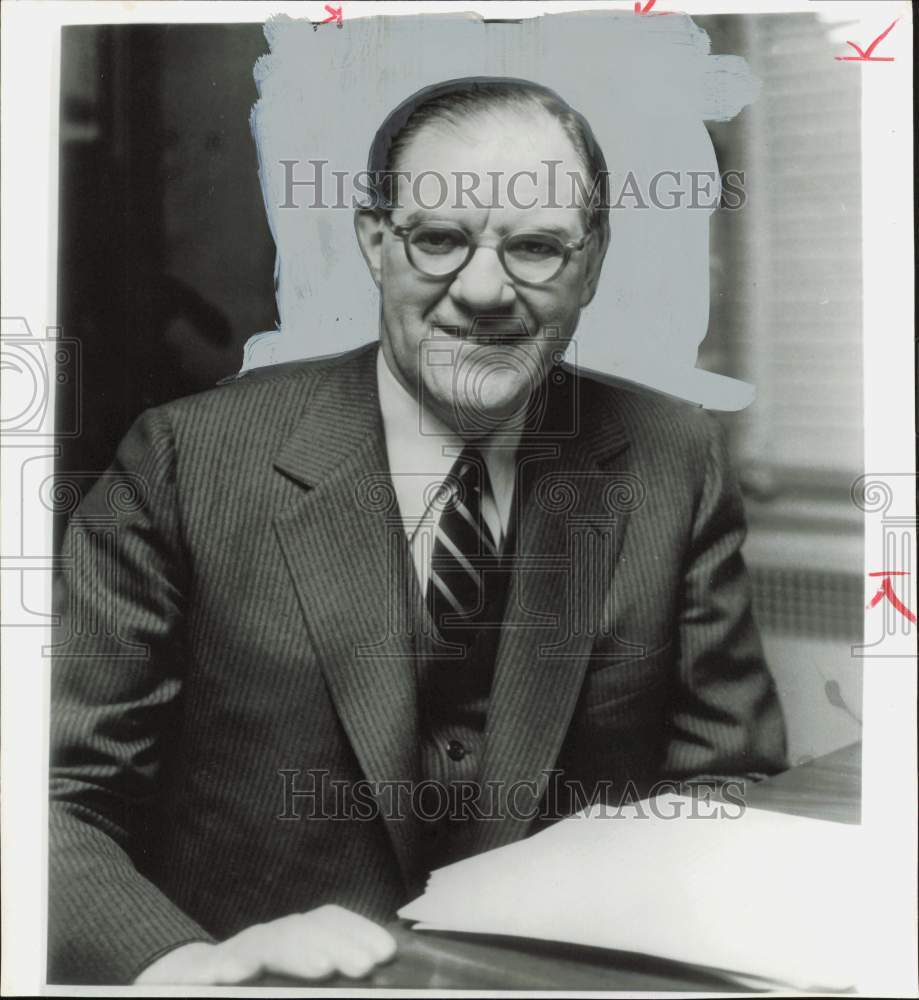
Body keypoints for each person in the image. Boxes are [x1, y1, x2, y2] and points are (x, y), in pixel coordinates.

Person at [49, 77, 787, 986]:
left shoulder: (673, 457)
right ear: (373, 242)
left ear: (591, 263)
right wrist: (185, 965)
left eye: (536, 249)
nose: (482, 291)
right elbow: (52, 798)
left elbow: (725, 788)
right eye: (438, 239)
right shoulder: (183, 461)